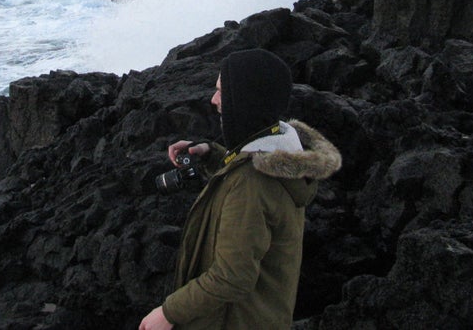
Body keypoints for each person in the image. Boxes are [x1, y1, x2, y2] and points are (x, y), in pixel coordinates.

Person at [139, 48, 342, 330]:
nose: (214, 100)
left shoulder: (251, 184)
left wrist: (168, 313)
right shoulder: (283, 150)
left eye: (222, 91)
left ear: (245, 99)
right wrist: (211, 153)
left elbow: (232, 276)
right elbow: (249, 168)